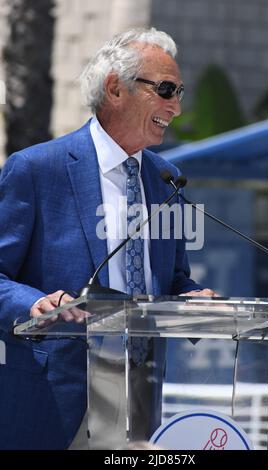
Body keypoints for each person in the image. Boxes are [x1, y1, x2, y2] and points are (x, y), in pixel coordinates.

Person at [0, 27, 215, 449]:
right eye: (166, 89)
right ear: (116, 88)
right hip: (53, 395)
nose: (175, 106)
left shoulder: (165, 178)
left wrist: (193, 300)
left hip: (140, 393)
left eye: (179, 92)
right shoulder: (36, 169)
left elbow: (173, 280)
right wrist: (35, 303)